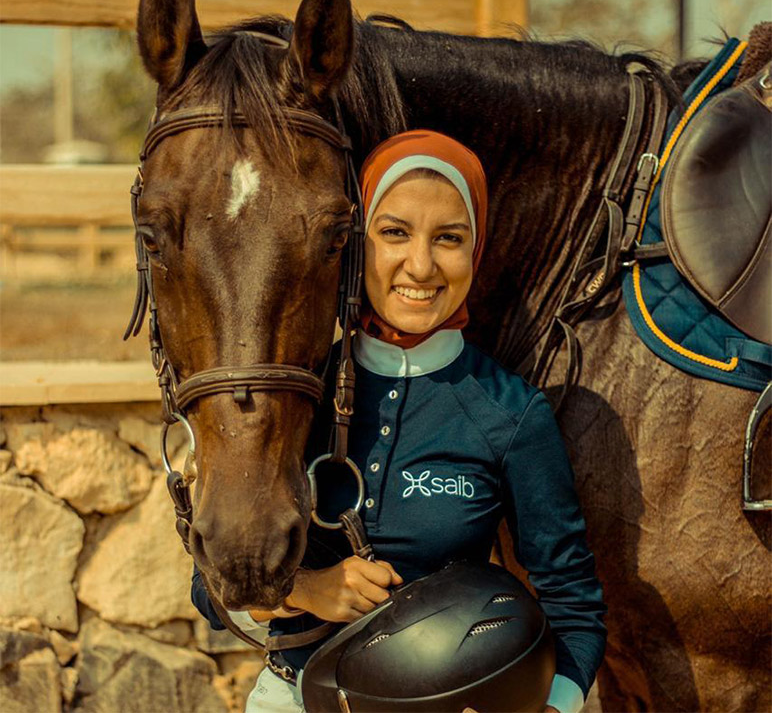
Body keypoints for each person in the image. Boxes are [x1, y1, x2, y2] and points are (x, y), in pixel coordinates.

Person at [192, 130, 607, 713]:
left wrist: (552, 707)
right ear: (358, 244)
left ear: (476, 248)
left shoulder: (511, 413)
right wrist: (308, 589)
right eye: (394, 233)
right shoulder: (295, 393)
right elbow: (209, 592)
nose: (421, 264)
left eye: (449, 238)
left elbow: (574, 604)